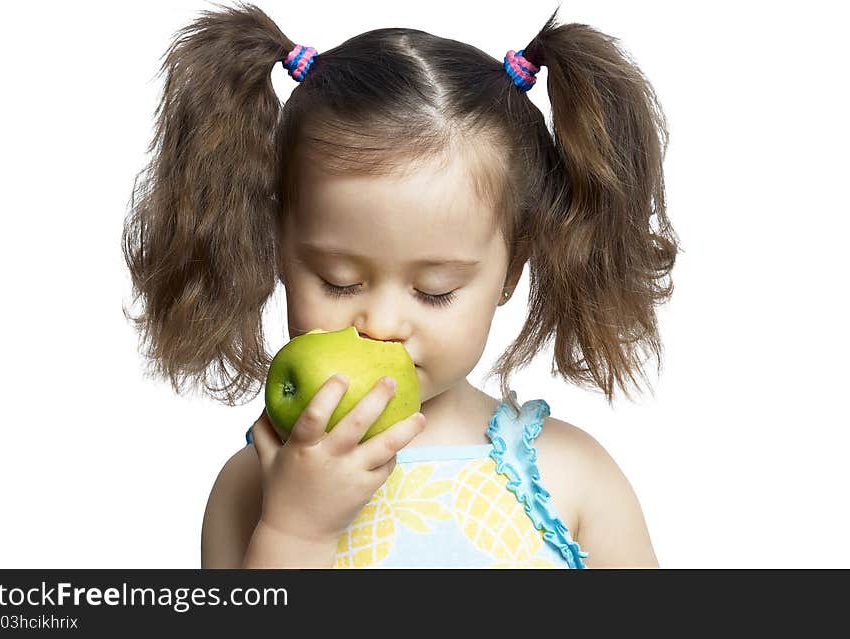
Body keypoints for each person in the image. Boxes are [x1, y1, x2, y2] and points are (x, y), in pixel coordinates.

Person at [122, 2, 679, 569]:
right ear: (277, 252)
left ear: (512, 270)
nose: (382, 324)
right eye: (339, 282)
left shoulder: (574, 477)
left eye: (434, 290)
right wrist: (294, 534)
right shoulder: (254, 485)